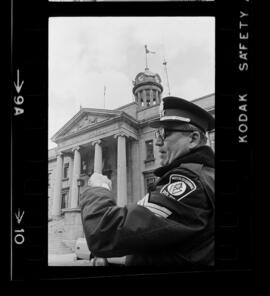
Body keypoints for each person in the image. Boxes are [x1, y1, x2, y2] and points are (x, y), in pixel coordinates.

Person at [80, 96, 215, 267]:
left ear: (193, 138)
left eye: (165, 133)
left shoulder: (190, 184)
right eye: (158, 134)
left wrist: (99, 188)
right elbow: (171, 248)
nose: (157, 142)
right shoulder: (204, 175)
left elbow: (103, 233)